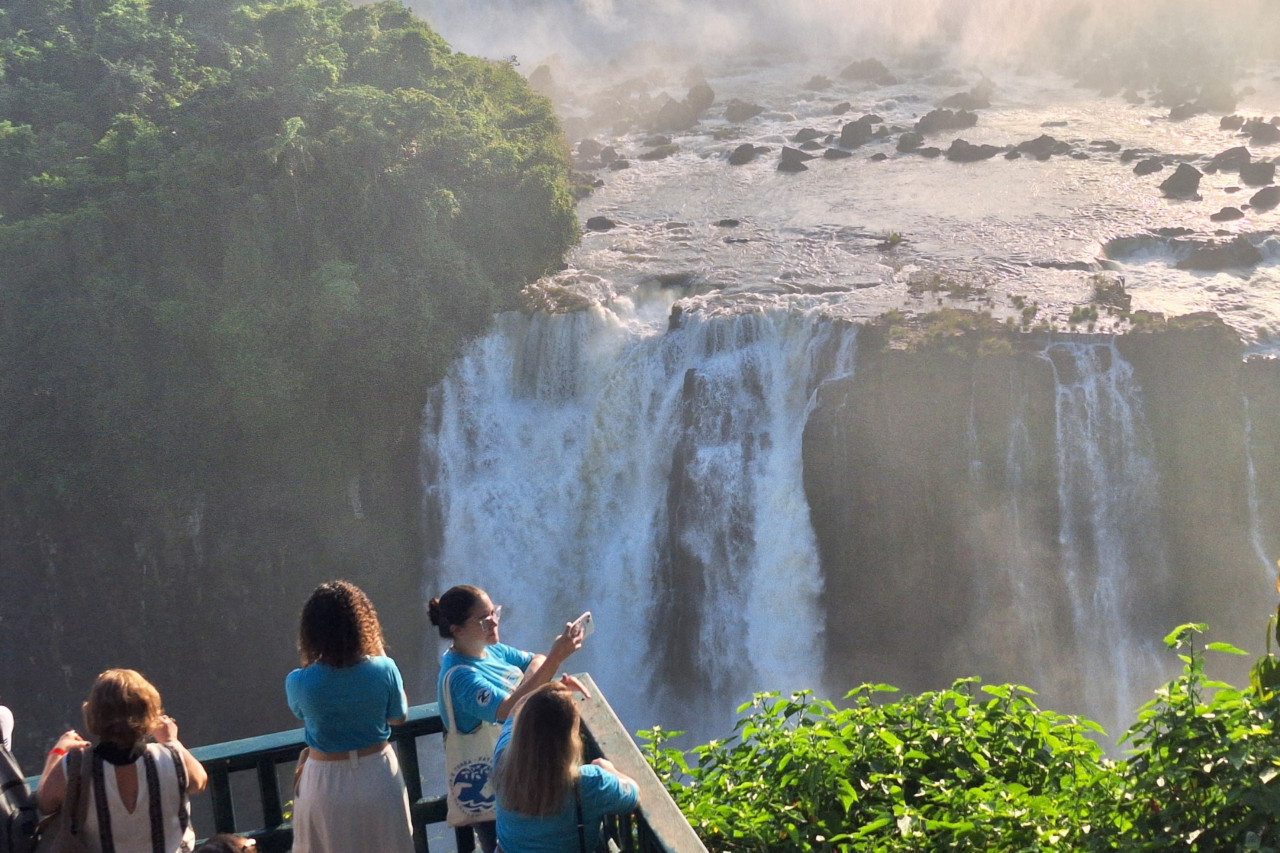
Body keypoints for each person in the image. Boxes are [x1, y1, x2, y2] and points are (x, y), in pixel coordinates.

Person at [428, 586, 586, 853]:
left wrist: (540, 671)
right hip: (488, 791)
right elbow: (509, 709)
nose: (494, 622)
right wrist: (553, 661)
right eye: (483, 619)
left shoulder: (492, 651)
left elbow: (536, 660)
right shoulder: (460, 678)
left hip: (515, 777)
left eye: (494, 613)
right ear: (457, 630)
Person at [285, 580, 413, 853]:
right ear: (362, 624)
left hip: (324, 781)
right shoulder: (384, 669)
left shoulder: (299, 681)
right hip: (377, 772)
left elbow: (301, 711)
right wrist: (378, 652)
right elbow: (399, 716)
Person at [35, 669, 208, 853]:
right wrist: (171, 741)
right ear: (149, 712)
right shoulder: (172, 758)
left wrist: (58, 751)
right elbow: (199, 782)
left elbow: (45, 802)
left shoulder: (76, 765)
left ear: (94, 713)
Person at [492, 682, 639, 853]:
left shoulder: (502, 760)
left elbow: (515, 710)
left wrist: (550, 691)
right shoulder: (588, 783)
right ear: (570, 739)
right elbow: (634, 794)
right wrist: (607, 768)